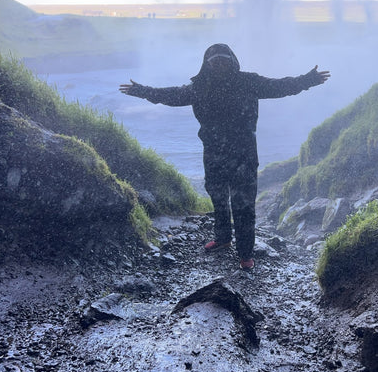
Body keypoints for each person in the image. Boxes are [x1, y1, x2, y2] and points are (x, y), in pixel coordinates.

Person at [120, 43, 330, 271]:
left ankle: (246, 254)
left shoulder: (248, 82)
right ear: (207, 64)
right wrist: (142, 91)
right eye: (215, 62)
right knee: (218, 198)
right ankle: (223, 239)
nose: (219, 65)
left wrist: (308, 80)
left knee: (244, 204)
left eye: (224, 61)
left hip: (244, 154)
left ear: (232, 61)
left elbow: (281, 86)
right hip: (213, 153)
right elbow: (170, 95)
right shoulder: (199, 87)